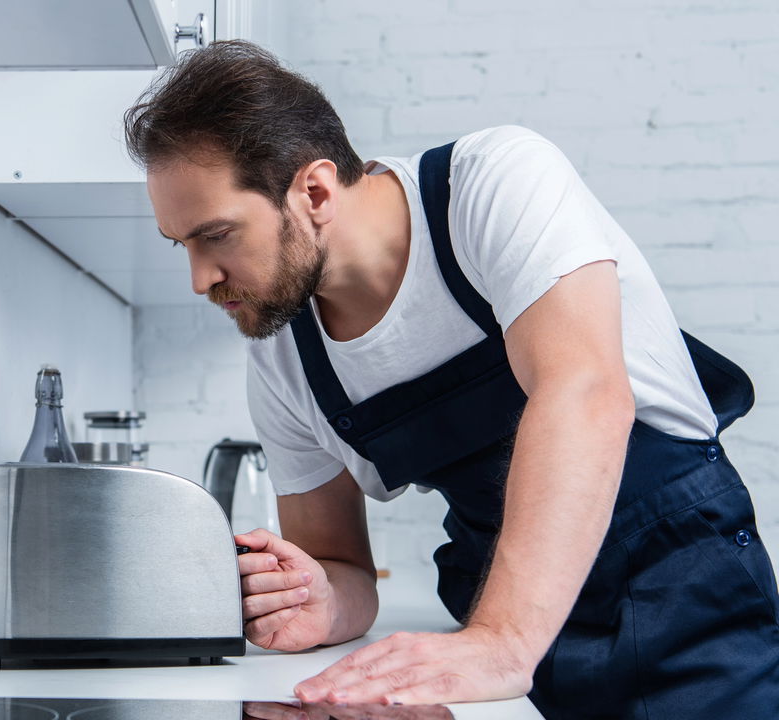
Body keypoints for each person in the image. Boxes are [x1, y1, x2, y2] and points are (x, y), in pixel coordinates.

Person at [123, 40, 779, 719]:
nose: (200, 279)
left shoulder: (493, 186)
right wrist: (320, 600)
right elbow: (343, 570)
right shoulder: (286, 361)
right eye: (183, 245)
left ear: (314, 191)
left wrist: (503, 641)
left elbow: (584, 394)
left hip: (683, 597)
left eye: (217, 235)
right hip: (517, 643)